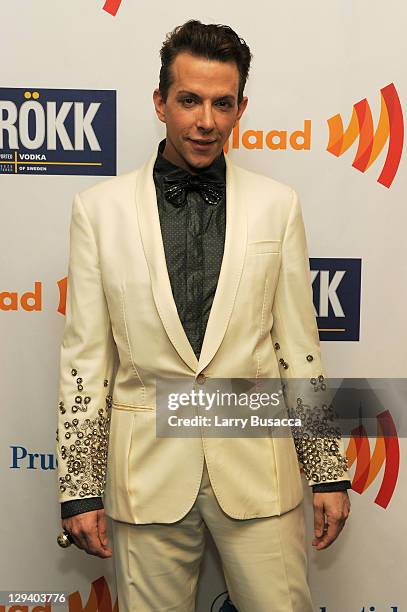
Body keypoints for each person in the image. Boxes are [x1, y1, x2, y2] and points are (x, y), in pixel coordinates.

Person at [56, 19, 351, 612]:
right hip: (147, 478)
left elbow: (300, 346)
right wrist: (78, 488)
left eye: (223, 103)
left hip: (258, 472)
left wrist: (329, 472)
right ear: (160, 102)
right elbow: (86, 361)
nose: (207, 121)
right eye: (189, 100)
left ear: (242, 107)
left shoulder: (278, 207)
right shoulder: (98, 212)